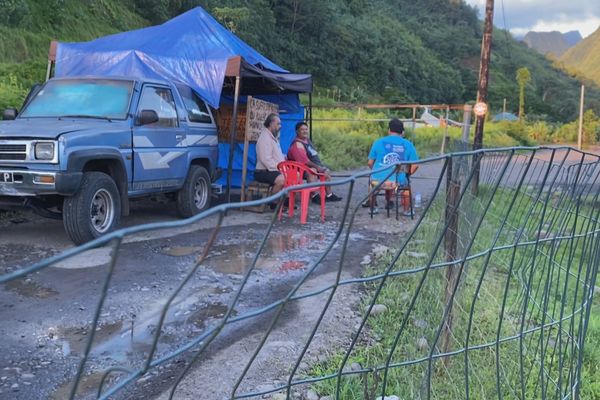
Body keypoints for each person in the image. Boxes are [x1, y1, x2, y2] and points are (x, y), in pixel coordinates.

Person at [365, 118, 418, 214]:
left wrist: (378, 171)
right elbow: (415, 165)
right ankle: (406, 211)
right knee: (406, 185)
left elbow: (370, 163)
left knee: (372, 183)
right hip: (398, 182)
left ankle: (372, 209)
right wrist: (407, 175)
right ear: (402, 132)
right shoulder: (408, 144)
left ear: (389, 130)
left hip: (378, 181)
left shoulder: (378, 142)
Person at [287, 121, 342, 203]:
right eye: (302, 130)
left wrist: (320, 167)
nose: (305, 131)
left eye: (306, 129)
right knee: (312, 171)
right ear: (297, 131)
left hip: (312, 166)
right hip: (300, 169)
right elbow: (304, 161)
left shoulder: (307, 141)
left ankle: (329, 195)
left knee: (326, 171)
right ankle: (314, 196)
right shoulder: (297, 144)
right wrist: (318, 167)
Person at [254, 113, 286, 203]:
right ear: (271, 124)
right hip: (263, 171)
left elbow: (275, 154)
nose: (280, 126)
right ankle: (274, 202)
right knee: (282, 179)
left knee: (293, 175)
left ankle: (285, 200)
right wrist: (280, 169)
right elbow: (265, 159)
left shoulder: (272, 137)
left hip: (272, 169)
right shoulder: (265, 138)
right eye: (278, 124)